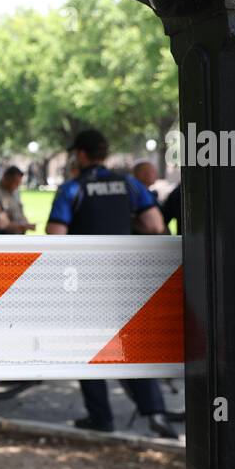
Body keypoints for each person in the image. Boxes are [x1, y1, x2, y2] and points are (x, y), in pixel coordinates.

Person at [46, 129, 177, 439]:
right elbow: (155, 225)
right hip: (124, 277)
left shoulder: (73, 188)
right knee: (132, 346)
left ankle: (100, 417)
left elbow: (55, 234)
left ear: (81, 154)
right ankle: (155, 412)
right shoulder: (129, 184)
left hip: (85, 281)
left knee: (87, 348)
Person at [0, 165, 35, 234]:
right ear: (6, 178)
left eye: (19, 183)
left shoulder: (15, 192)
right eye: (15, 182)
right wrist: (22, 226)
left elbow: (20, 210)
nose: (17, 185)